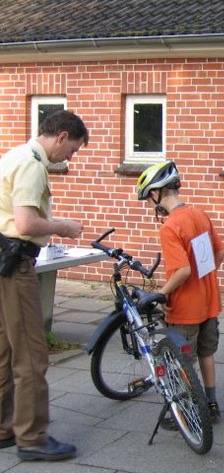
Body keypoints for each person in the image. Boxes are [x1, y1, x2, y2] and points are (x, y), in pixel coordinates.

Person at [0, 110, 88, 460]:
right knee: (32, 354)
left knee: (5, 350)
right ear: (62, 136)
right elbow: (24, 222)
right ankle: (33, 437)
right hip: (16, 265)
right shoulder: (33, 164)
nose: (71, 158)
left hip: (1, 259)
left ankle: (5, 427)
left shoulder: (12, 155)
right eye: (73, 150)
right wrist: (62, 226)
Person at [136, 161, 224, 423]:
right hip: (209, 301)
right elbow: (219, 252)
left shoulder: (170, 226)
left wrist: (160, 294)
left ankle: (187, 413)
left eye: (149, 197)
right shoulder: (199, 214)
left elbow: (183, 271)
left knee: (182, 361)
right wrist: (206, 277)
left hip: (185, 308)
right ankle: (211, 405)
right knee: (206, 353)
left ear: (156, 193)